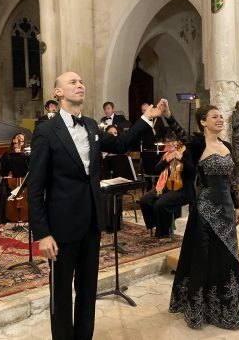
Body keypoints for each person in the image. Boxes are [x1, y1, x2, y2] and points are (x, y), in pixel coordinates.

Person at [27, 71, 164, 339]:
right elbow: (35, 188)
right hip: (61, 226)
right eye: (73, 82)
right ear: (57, 92)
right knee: (62, 295)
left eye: (82, 81)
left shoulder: (91, 125)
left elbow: (122, 143)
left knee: (88, 290)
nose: (80, 85)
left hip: (91, 222)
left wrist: (150, 116)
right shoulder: (45, 131)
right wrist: (43, 233)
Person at [163, 102, 239, 330]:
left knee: (227, 258)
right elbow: (179, 132)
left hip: (227, 210)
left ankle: (225, 308)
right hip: (206, 211)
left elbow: (232, 181)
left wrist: (237, 206)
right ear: (203, 122)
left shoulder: (227, 145)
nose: (220, 119)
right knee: (203, 258)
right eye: (214, 117)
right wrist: (168, 114)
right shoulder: (198, 144)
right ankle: (200, 310)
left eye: (221, 116)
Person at [139, 131, 194, 239]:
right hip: (164, 187)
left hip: (182, 190)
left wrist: (181, 158)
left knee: (159, 204)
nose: (171, 144)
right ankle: (155, 224)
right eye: (168, 142)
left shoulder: (185, 153)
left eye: (173, 142)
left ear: (178, 143)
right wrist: (166, 161)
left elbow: (192, 172)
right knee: (145, 200)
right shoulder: (166, 155)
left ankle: (163, 232)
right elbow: (155, 171)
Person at [0, 132, 26, 223]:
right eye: (18, 138)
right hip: (10, 180)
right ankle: (2, 218)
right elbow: (3, 172)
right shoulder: (7, 154)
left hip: (23, 180)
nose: (19, 141)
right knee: (4, 191)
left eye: (22, 140)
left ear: (23, 142)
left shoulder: (26, 153)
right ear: (13, 140)